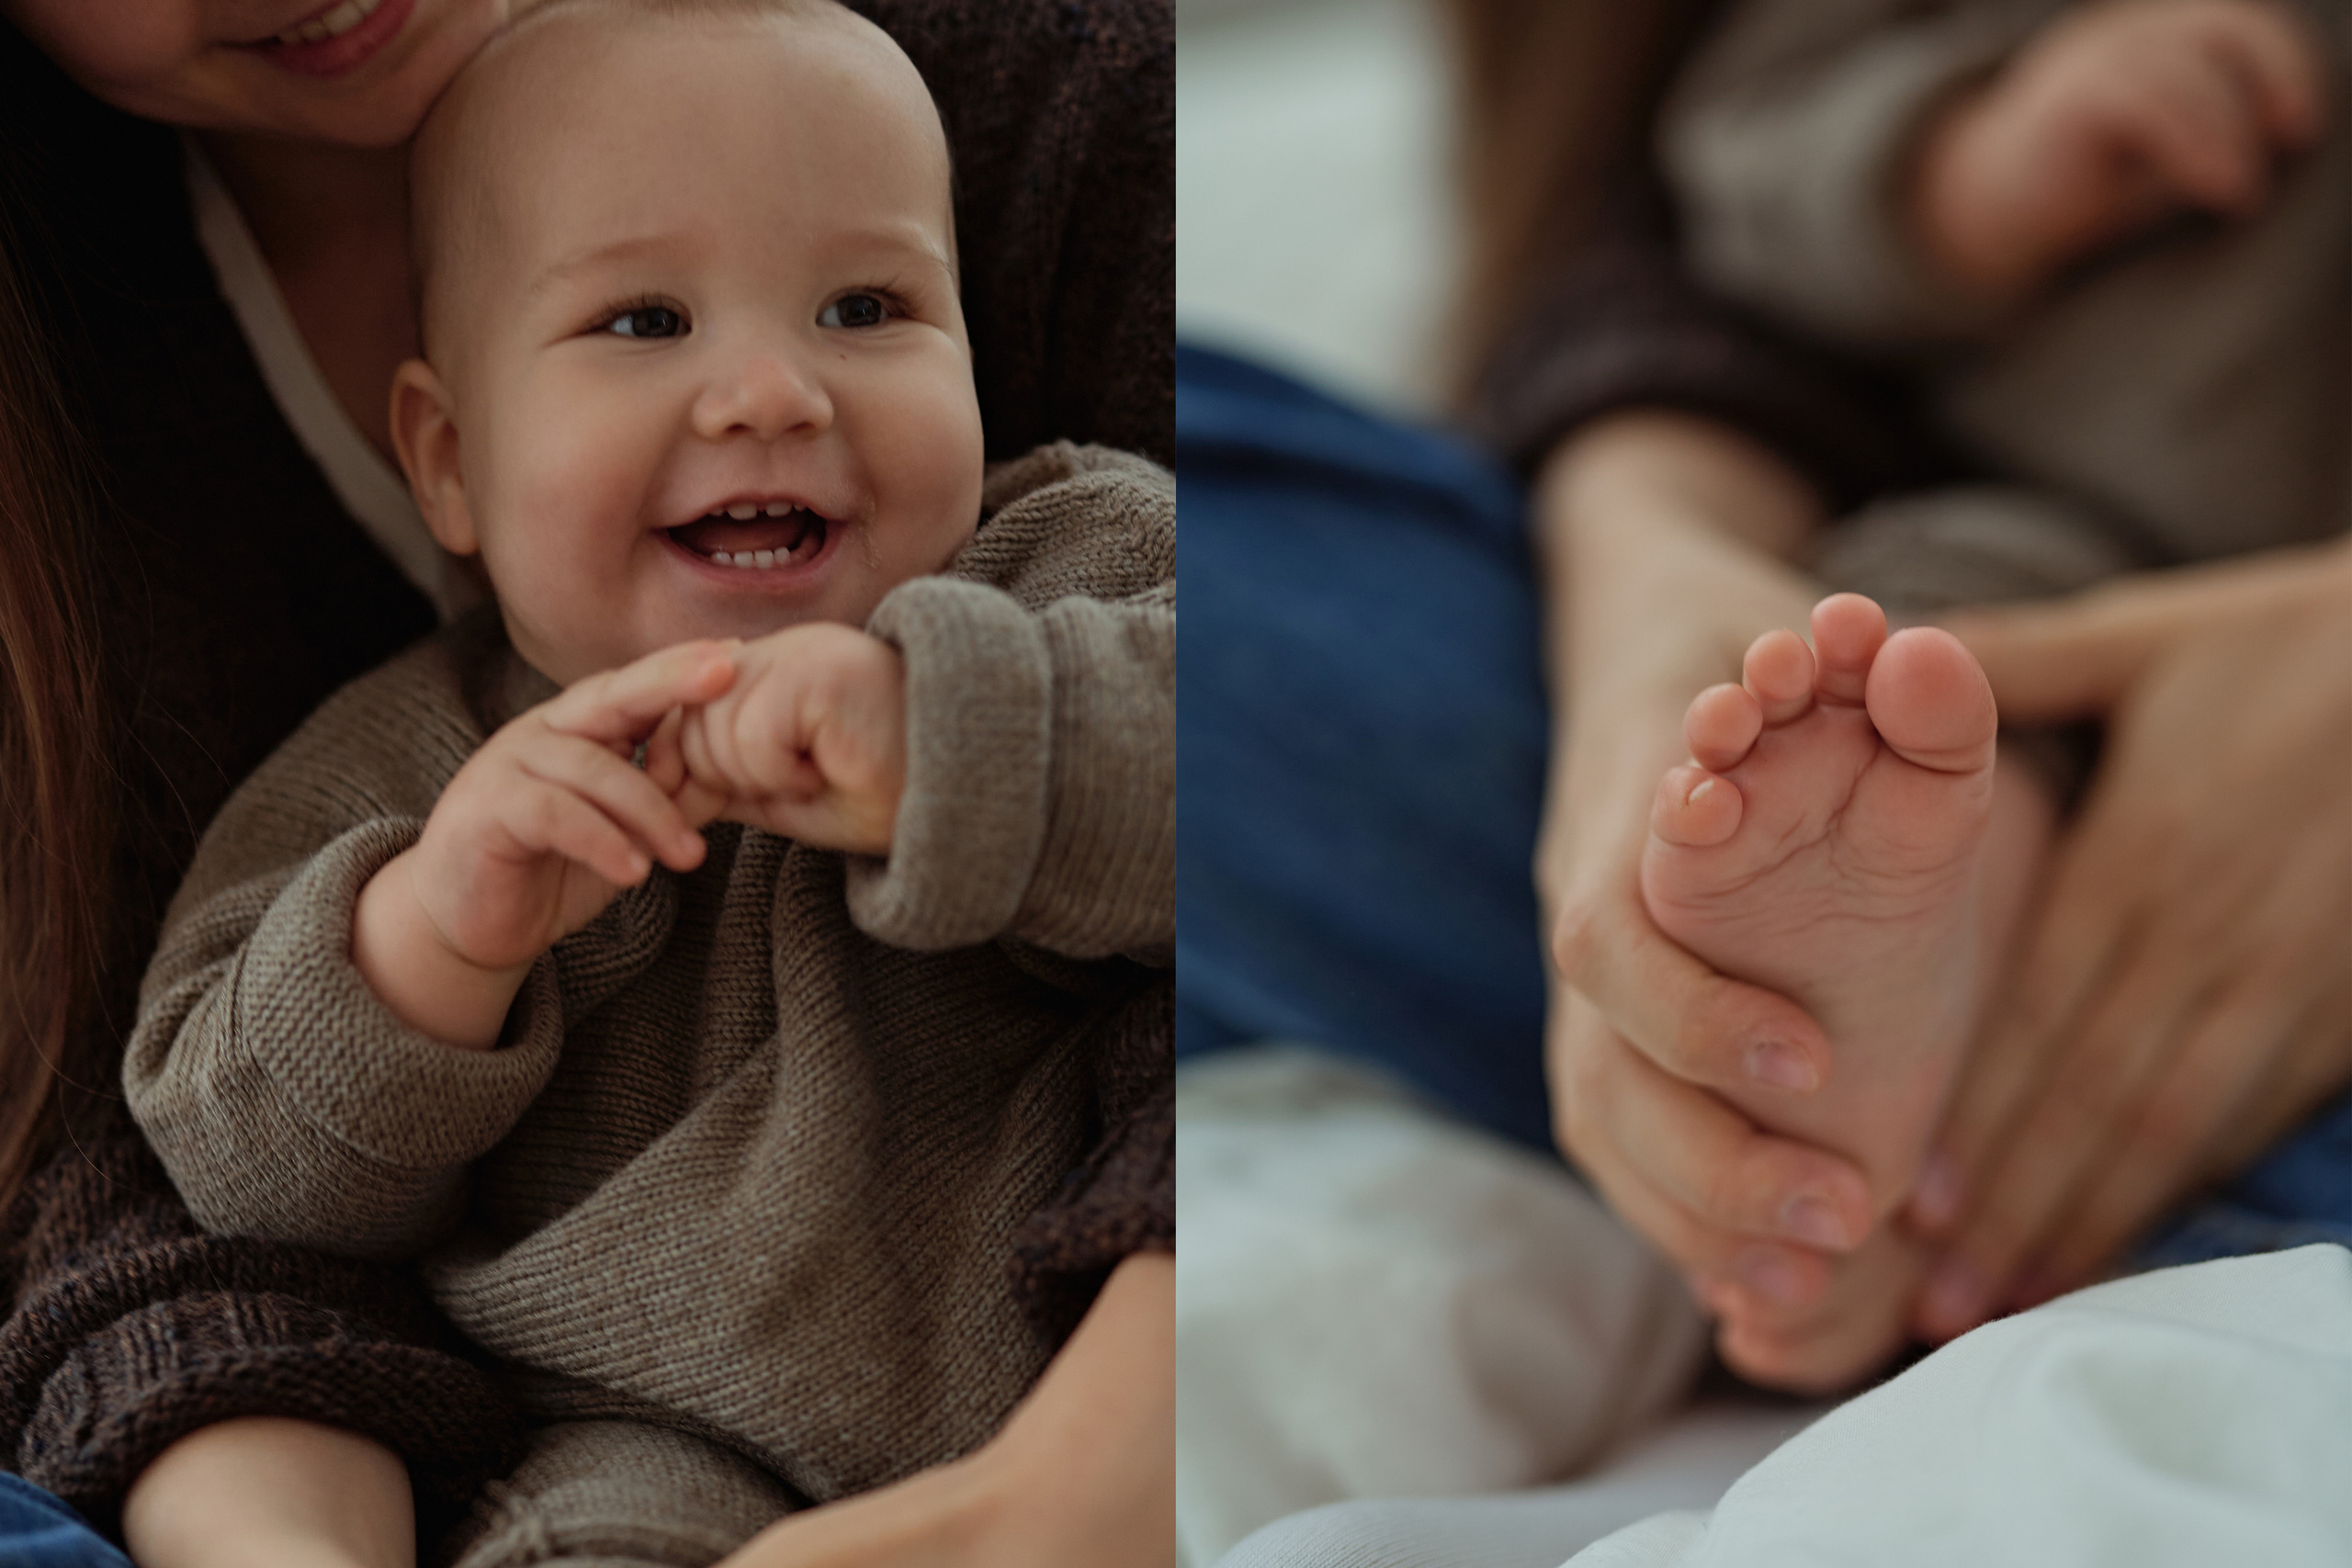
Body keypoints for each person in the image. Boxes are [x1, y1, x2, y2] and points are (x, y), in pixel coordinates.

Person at [0, 0, 1170, 1562]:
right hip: (648, 1437)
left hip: (1074, 1334)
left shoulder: (1069, 564)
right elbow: (227, 1159)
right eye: (643, 325)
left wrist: (953, 739)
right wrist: (434, 940)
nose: (773, 393)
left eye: (869, 306)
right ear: (451, 463)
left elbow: (1271, 796)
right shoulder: (405, 769)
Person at [1177, 0, 2350, 1554]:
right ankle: (1882, 1085)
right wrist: (1976, 169)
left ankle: (1872, 1150)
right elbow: (1740, 182)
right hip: (2004, 563)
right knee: (1100, 479)